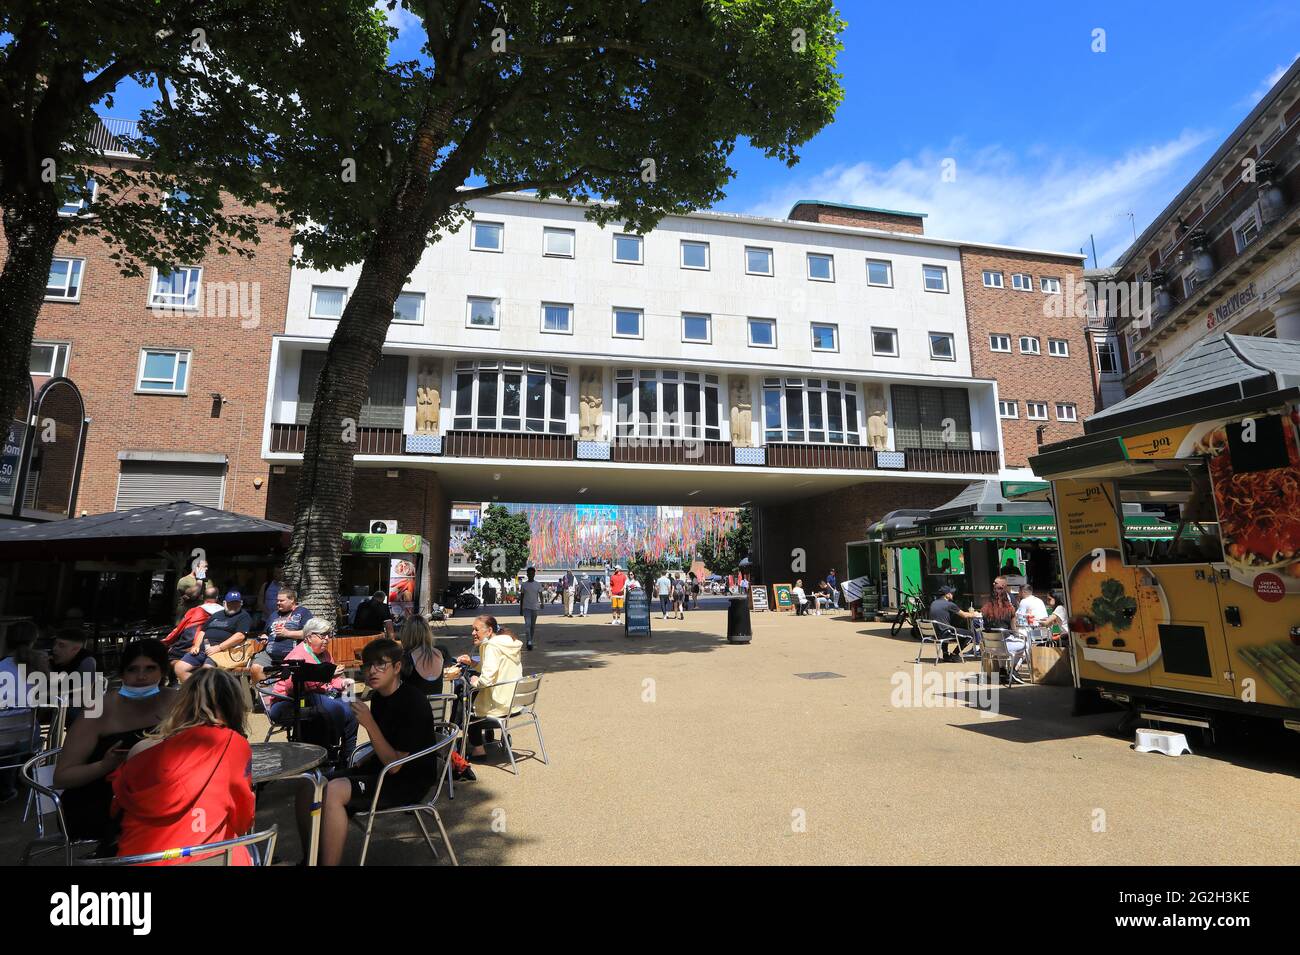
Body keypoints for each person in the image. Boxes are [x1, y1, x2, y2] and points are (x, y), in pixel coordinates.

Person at [300, 638, 440, 866]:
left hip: (408, 781)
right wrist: (364, 760)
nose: (372, 671)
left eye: (380, 664)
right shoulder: (379, 698)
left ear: (397, 667)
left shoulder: (412, 702)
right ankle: (311, 858)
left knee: (334, 791)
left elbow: (395, 766)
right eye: (368, 665)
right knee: (309, 783)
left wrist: (369, 723)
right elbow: (387, 745)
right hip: (383, 769)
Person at [110, 667, 254, 865]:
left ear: (182, 702)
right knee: (238, 845)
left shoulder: (139, 750)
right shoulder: (233, 744)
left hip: (139, 858)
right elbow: (242, 819)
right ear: (233, 706)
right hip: (207, 858)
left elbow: (120, 808)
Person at [52, 639, 178, 844]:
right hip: (96, 800)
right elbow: (62, 778)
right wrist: (105, 765)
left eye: (150, 668)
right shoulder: (98, 709)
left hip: (155, 795)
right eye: (132, 669)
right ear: (122, 674)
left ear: (163, 672)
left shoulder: (176, 702)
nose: (141, 677)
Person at [268, 618, 357, 766]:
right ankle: (330, 754)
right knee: (334, 709)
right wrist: (326, 676)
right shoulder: (297, 657)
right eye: (323, 635)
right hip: (287, 703)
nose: (327, 639)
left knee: (353, 708)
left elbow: (333, 681)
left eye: (328, 635)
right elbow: (293, 688)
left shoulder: (325, 654)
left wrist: (342, 682)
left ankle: (347, 756)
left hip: (319, 697)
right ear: (309, 637)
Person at [454, 616, 523, 759]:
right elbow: (494, 667)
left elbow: (486, 680)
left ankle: (477, 749)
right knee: (470, 694)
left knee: (465, 696)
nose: (473, 633)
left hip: (498, 705)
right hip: (513, 701)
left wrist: (474, 681)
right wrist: (472, 663)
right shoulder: (509, 642)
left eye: (476, 630)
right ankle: (485, 732)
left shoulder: (491, 646)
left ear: (489, 630)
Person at [0, 621, 51, 802]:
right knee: (14, 732)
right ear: (33, 641)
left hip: (5, 740)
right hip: (28, 738)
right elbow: (44, 706)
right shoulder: (38, 668)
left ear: (6, 641)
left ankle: (7, 786)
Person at [174, 590, 255, 681]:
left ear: (241, 603)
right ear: (224, 603)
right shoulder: (216, 615)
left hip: (222, 652)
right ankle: (195, 691)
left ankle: (203, 692)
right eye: (230, 603)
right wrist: (196, 646)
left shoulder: (243, 616)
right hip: (201, 650)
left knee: (206, 673)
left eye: (236, 603)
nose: (233, 606)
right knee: (179, 668)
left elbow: (240, 636)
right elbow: (203, 632)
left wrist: (219, 647)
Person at [254, 587, 313, 670]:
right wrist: (264, 637)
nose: (278, 603)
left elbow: (309, 634)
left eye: (281, 601)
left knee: (287, 673)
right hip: (269, 655)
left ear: (292, 600)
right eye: (277, 600)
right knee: (255, 668)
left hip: (293, 655)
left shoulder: (303, 612)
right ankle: (264, 683)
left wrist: (287, 633)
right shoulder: (274, 614)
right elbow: (265, 632)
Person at [928, 585, 980, 657]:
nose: (953, 594)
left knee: (946, 626)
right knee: (970, 635)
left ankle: (945, 654)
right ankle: (954, 654)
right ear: (947, 595)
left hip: (935, 633)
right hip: (944, 633)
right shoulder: (950, 604)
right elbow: (964, 615)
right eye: (951, 593)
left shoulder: (933, 603)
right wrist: (975, 614)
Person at [518, 567, 543, 652]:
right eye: (529, 573)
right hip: (526, 607)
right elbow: (521, 597)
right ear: (527, 575)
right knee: (527, 625)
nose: (531, 575)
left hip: (535, 607)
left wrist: (542, 603)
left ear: (534, 574)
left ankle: (530, 640)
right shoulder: (524, 585)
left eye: (532, 573)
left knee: (532, 626)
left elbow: (540, 594)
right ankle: (529, 641)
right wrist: (520, 608)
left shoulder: (538, 584)